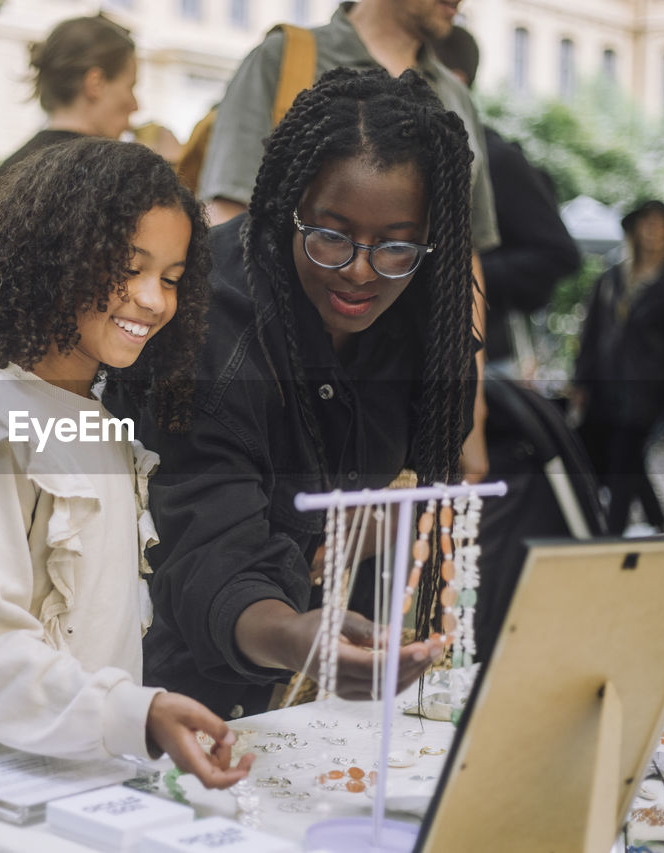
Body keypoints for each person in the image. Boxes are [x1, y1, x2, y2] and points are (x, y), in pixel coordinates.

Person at [0, 138, 254, 836]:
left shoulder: (95, 422)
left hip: (74, 795)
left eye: (170, 277)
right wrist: (137, 713)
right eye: (127, 268)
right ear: (54, 262)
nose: (150, 298)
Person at [113, 68, 467, 721]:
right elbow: (205, 551)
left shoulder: (424, 310)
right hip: (174, 700)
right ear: (288, 204)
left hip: (314, 698)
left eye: (395, 246)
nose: (361, 271)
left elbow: (436, 465)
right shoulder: (209, 334)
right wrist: (296, 635)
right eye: (331, 235)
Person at [193, 0, 497, 483]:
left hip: (390, 404)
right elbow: (231, 219)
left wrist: (466, 407)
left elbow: (462, 258)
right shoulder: (287, 56)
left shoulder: (455, 96)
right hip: (279, 387)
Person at [433, 24, 580, 375]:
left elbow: (560, 254)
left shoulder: (493, 157)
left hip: (481, 359)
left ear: (453, 79)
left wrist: (461, 274)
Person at [573, 200, 664, 533]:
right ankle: (658, 521)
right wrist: (580, 380)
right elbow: (592, 331)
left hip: (651, 388)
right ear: (634, 230)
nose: (653, 230)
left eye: (660, 224)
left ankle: (612, 533)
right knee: (624, 456)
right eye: (647, 223)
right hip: (606, 383)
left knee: (624, 455)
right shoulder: (612, 277)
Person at [0, 14, 138, 213]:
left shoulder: (4, 176)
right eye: (130, 86)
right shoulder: (111, 179)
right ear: (96, 83)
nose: (136, 105)